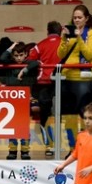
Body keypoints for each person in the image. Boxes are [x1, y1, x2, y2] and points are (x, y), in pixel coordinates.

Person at [57, 5, 92, 134]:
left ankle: (84, 142)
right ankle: (72, 143)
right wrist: (63, 39)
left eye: (79, 17)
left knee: (84, 114)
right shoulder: (69, 34)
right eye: (74, 17)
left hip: (83, 79)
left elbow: (89, 54)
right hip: (67, 77)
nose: (76, 20)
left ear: (86, 18)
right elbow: (60, 54)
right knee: (68, 114)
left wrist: (79, 39)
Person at [27, 21, 63, 156]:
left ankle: (49, 146)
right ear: (60, 31)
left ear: (48, 31)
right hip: (63, 82)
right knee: (64, 115)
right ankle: (69, 146)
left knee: (45, 116)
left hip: (44, 83)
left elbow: (29, 60)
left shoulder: (40, 45)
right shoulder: (65, 44)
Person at [0, 42, 35, 159]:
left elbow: (37, 63)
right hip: (12, 100)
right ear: (13, 56)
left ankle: (25, 151)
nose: (19, 58)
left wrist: (25, 70)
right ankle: (12, 151)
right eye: (16, 55)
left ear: (26, 55)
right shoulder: (9, 64)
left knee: (24, 126)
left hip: (24, 100)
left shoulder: (29, 64)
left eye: (21, 55)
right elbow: (2, 58)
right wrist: (10, 47)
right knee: (12, 126)